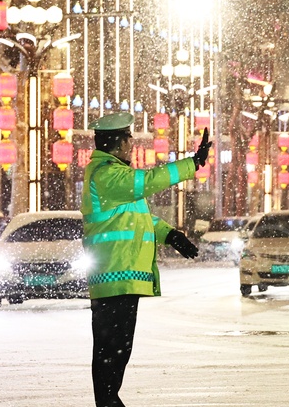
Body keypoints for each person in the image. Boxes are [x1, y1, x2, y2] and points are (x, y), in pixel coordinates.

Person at [81, 111, 210, 407]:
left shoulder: (116, 177)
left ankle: (109, 402)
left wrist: (170, 235)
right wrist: (192, 163)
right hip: (113, 276)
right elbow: (148, 180)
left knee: (117, 352)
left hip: (122, 277)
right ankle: (108, 403)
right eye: (128, 138)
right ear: (117, 142)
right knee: (111, 352)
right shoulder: (106, 175)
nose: (131, 144)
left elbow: (137, 219)